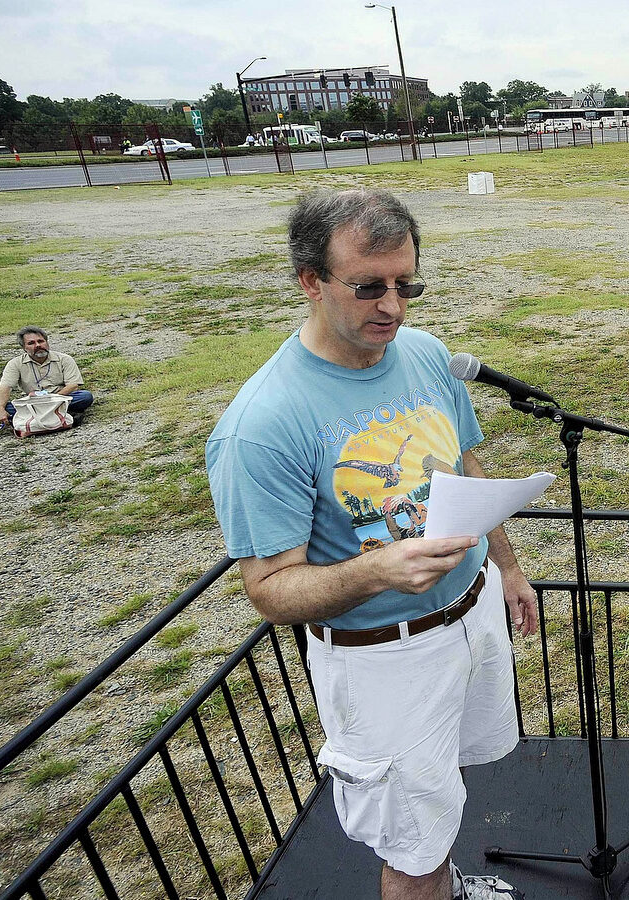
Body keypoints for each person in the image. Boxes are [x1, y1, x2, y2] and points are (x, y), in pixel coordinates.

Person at [205, 189, 537, 900]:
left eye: (405, 283)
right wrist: (376, 570)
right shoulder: (261, 424)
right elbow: (270, 591)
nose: (393, 306)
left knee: (440, 791)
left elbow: (465, 467)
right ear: (310, 281)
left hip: (471, 617)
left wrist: (506, 568)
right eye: (368, 287)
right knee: (408, 850)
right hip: (385, 656)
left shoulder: (424, 354)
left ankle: (448, 884)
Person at [0, 327, 94, 427]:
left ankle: (35, 417)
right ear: (24, 348)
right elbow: (4, 388)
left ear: (47, 342)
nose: (38, 345)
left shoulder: (64, 359)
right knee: (7, 408)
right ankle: (62, 415)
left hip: (60, 398)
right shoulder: (15, 364)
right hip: (34, 402)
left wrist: (52, 399)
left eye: (41, 341)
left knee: (85, 396)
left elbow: (73, 385)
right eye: (31, 343)